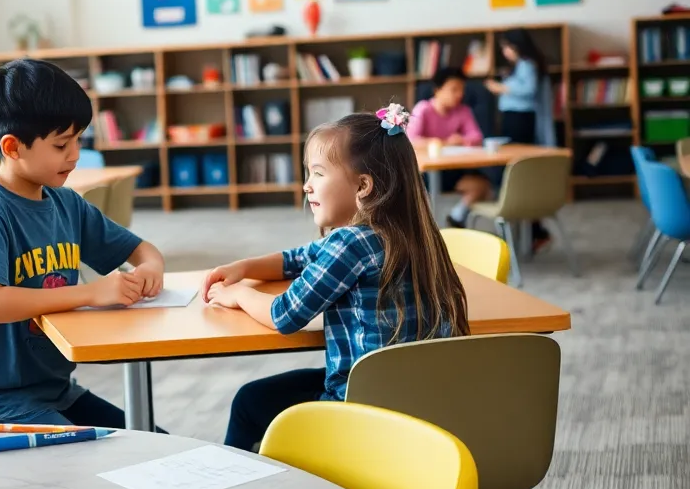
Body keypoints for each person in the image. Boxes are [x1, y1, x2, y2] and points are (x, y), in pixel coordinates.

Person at [200, 106, 469, 451]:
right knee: (260, 398)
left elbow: (285, 314)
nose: (306, 186)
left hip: (359, 412)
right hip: (419, 404)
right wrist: (247, 266)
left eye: (318, 174)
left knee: (250, 403)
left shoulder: (351, 243)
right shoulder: (416, 235)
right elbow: (300, 258)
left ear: (363, 185)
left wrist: (237, 293)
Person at [0, 58, 166, 427]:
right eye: (61, 144)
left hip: (54, 391)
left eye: (79, 139)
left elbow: (142, 249)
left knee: (156, 442)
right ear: (13, 147)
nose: (75, 154)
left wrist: (150, 267)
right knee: (107, 462)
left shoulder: (65, 203)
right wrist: (90, 293)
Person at [486, 28, 555, 249]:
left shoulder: (527, 64)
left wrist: (501, 87)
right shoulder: (523, 66)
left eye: (506, 47)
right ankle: (531, 228)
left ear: (516, 46)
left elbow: (528, 90)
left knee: (514, 165)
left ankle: (533, 227)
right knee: (514, 166)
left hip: (520, 118)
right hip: (515, 117)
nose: (505, 51)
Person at [407, 67, 489, 228]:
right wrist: (446, 142)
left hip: (452, 169)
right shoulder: (423, 109)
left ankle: (456, 217)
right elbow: (411, 139)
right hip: (425, 172)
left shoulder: (463, 111)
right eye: (454, 89)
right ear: (437, 90)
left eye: (462, 90)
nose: (459, 94)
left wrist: (461, 140)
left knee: (483, 186)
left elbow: (477, 138)